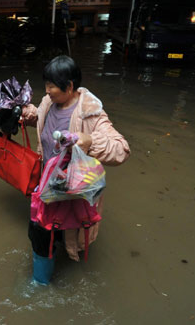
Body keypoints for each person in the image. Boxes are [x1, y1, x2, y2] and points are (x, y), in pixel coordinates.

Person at [22, 55, 130, 283]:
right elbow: (42, 122)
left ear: (69, 86)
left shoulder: (92, 115)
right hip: (46, 187)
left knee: (63, 233)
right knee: (40, 233)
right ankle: (39, 283)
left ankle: (47, 273)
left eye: (51, 85)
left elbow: (122, 150)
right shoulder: (49, 103)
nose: (47, 90)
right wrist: (28, 114)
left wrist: (91, 142)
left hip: (72, 192)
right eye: (46, 85)